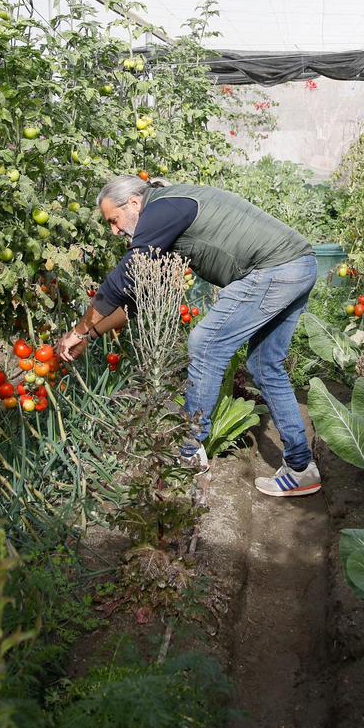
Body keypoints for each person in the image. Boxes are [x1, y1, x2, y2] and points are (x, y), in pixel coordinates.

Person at [54, 176, 322, 497]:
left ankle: (187, 453)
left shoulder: (161, 209)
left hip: (275, 268)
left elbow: (121, 278)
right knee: (265, 366)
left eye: (114, 220)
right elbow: (138, 293)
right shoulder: (168, 219)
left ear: (135, 203)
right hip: (299, 266)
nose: (114, 230)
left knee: (205, 344)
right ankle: (301, 468)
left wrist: (76, 331)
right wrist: (92, 333)